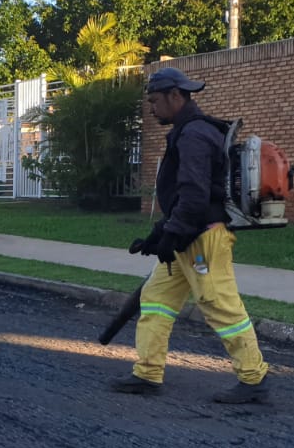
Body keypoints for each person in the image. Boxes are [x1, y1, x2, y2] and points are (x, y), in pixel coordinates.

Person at [111, 66, 271, 404]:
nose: (151, 109)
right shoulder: (188, 131)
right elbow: (182, 197)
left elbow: (195, 195)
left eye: (154, 101)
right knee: (155, 300)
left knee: (219, 305)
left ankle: (253, 378)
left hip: (202, 240)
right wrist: (160, 235)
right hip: (186, 237)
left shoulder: (195, 135)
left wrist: (173, 234)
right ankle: (148, 372)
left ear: (175, 96)